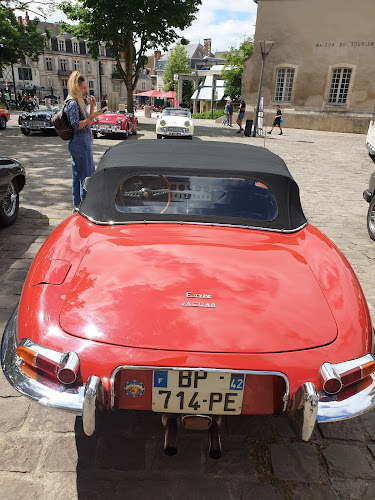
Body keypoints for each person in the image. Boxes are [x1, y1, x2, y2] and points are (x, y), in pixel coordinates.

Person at [65, 71, 104, 210]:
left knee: (78, 176)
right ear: (76, 87)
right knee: (86, 178)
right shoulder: (73, 104)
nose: (85, 90)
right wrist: (93, 116)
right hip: (80, 144)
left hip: (82, 143)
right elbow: (77, 125)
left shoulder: (78, 103)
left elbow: (87, 124)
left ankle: (77, 206)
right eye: (83, 88)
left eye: (85, 87)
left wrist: (92, 107)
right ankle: (85, 207)